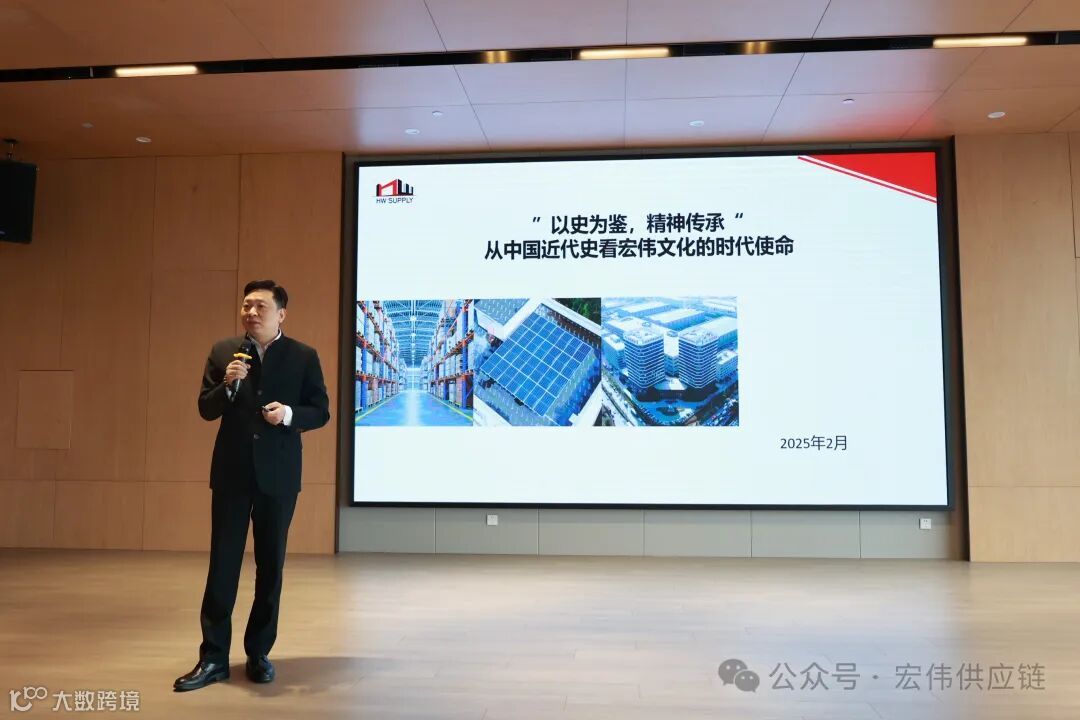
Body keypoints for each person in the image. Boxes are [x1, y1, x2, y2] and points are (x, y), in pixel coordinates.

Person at [174, 280, 330, 692]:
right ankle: (213, 658)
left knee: (270, 566)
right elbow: (205, 408)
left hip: (279, 476)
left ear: (281, 314)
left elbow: (321, 411)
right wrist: (227, 384)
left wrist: (289, 415)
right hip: (232, 473)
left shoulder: (303, 356)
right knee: (222, 565)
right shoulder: (224, 352)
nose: (251, 312)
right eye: (246, 306)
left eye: (261, 306)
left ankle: (258, 653)